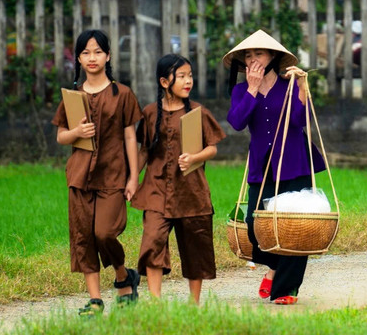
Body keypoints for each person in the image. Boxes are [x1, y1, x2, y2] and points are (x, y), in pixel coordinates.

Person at [225, 30, 326, 305]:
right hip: (261, 165)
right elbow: (236, 122)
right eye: (248, 55)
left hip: (294, 162)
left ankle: (286, 289)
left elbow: (298, 120)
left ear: (272, 57)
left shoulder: (289, 84)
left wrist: (304, 87)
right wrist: (253, 89)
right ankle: (273, 267)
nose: (253, 59)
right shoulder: (240, 90)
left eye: (259, 53)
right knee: (254, 227)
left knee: (296, 227)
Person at [52, 29, 142, 317]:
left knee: (104, 233)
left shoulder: (123, 94)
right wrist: (76, 132)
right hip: (80, 177)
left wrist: (133, 178)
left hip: (113, 175)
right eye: (86, 53)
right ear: (78, 58)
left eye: (98, 52)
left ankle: (122, 275)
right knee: (83, 238)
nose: (92, 58)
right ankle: (95, 300)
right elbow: (61, 136)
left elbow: (131, 138)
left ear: (108, 56)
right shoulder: (72, 96)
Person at [132, 53, 224, 304]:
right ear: (164, 82)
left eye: (190, 76)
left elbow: (212, 148)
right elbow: (143, 150)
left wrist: (195, 158)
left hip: (191, 191)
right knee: (152, 240)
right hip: (156, 189)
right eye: (181, 76)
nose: (188, 81)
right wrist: (132, 180)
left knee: (195, 246)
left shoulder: (198, 112)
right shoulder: (150, 113)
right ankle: (154, 302)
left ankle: (193, 303)